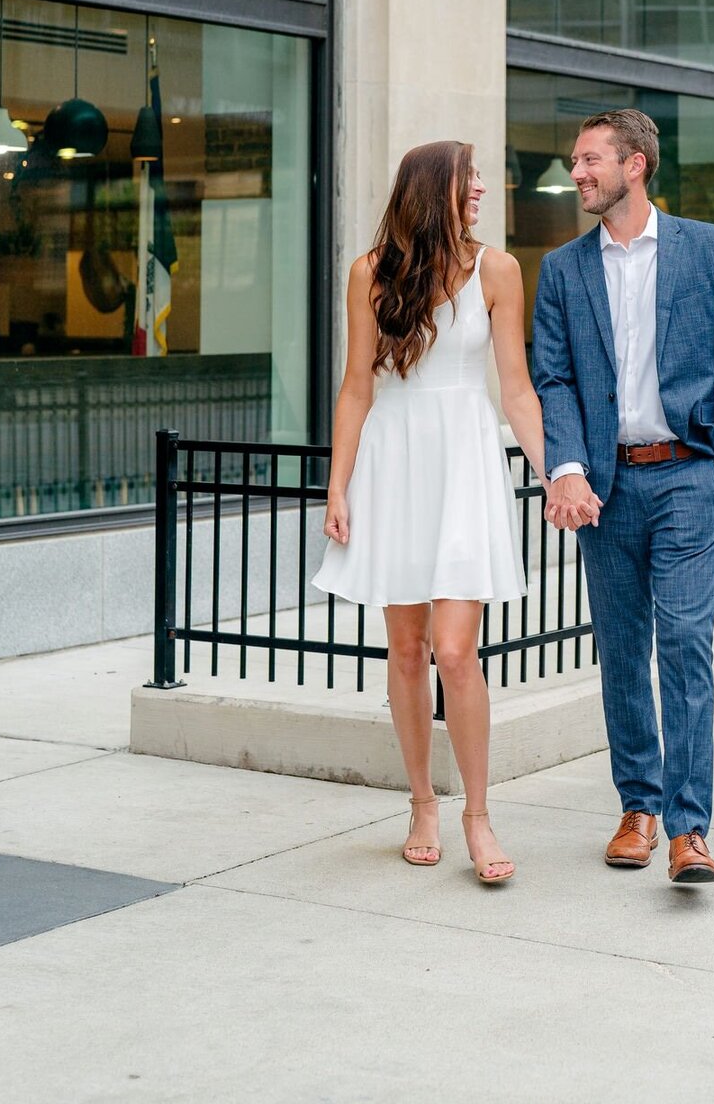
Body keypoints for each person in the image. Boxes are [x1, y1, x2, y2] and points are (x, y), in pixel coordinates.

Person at [531, 109, 714, 885]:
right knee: (623, 651)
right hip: (607, 484)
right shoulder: (563, 270)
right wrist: (565, 466)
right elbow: (553, 378)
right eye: (575, 161)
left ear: (635, 165)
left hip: (690, 476)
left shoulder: (707, 248)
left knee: (686, 646)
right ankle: (638, 806)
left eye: (590, 159)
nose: (578, 173)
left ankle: (690, 829)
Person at [315, 141, 544, 884]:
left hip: (464, 462)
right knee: (407, 651)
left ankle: (478, 815)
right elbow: (357, 386)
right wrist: (338, 485)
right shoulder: (371, 274)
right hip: (396, 463)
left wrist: (557, 474)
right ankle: (422, 803)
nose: (481, 188)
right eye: (469, 178)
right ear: (431, 190)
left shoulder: (498, 270)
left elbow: (516, 389)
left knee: (454, 650)